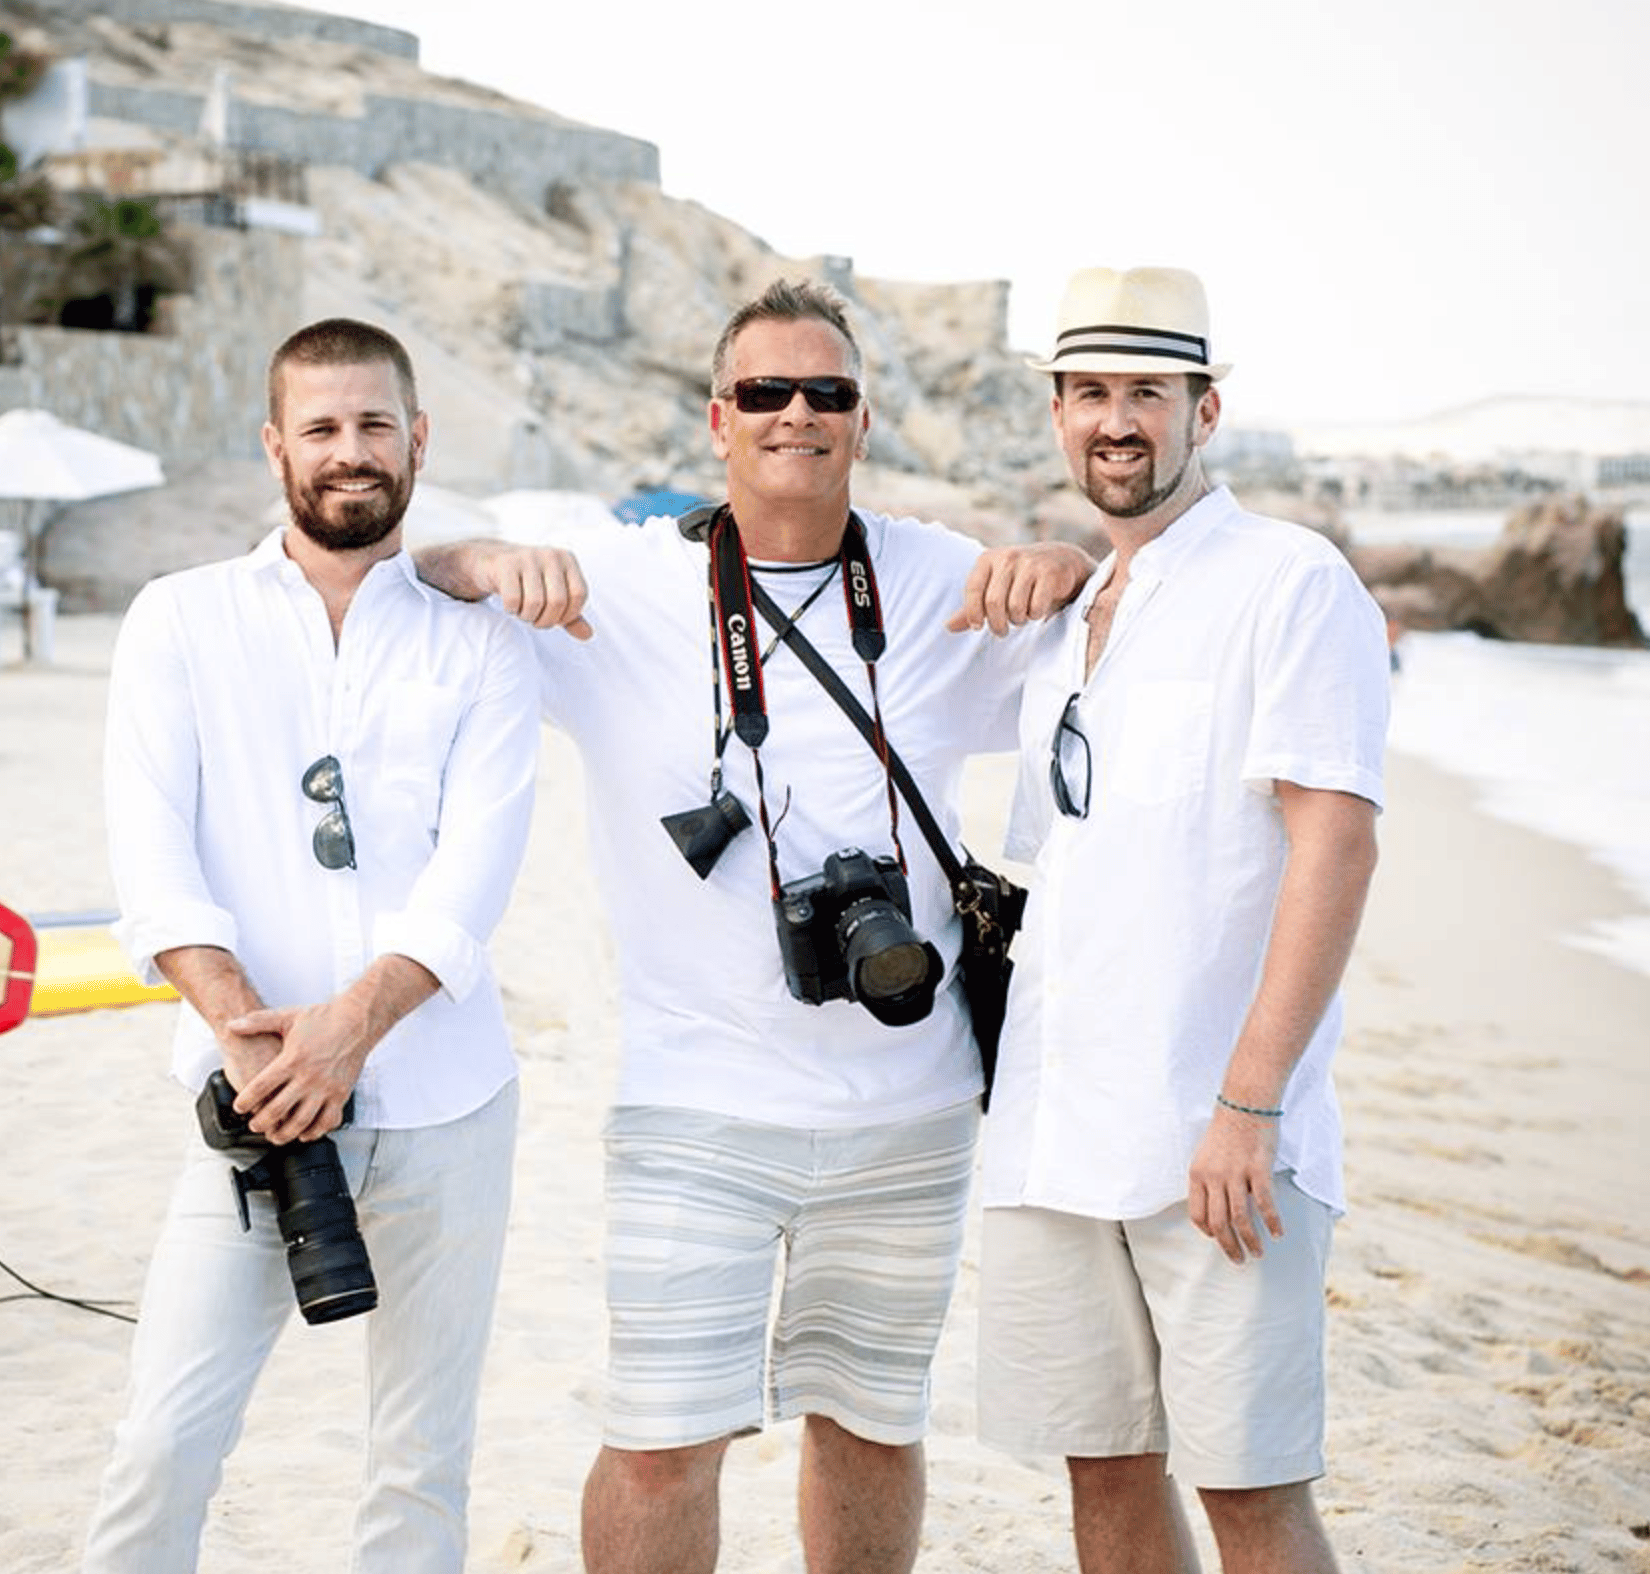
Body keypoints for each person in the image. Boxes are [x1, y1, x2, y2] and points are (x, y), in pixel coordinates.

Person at [417, 278, 1091, 1574]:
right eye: (767, 393)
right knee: (662, 1436)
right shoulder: (614, 584)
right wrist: (478, 559)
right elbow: (416, 583)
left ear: (862, 417)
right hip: (694, 1098)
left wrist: (1066, 562)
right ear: (715, 418)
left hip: (909, 1097)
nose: (798, 414)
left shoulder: (940, 577)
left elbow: (1107, 645)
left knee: (871, 1426)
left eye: (826, 393)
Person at [80, 318, 539, 1573]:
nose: (351, 452)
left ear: (417, 439)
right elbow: (154, 862)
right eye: (322, 427)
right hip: (253, 1101)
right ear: (275, 443)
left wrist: (347, 1028)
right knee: (163, 1442)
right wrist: (260, 1044)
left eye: (374, 424)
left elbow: (473, 873)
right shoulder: (177, 619)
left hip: (448, 1103)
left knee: (418, 1464)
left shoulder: (483, 632)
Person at [975, 266, 1390, 1574]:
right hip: (1050, 1122)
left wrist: (1250, 1100)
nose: (1115, 421)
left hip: (1218, 1136)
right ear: (1054, 413)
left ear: (1202, 410)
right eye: (1089, 392)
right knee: (1102, 1470)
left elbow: (1337, 837)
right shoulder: (1072, 611)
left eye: (1144, 393)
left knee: (1250, 1488)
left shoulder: (1288, 580)